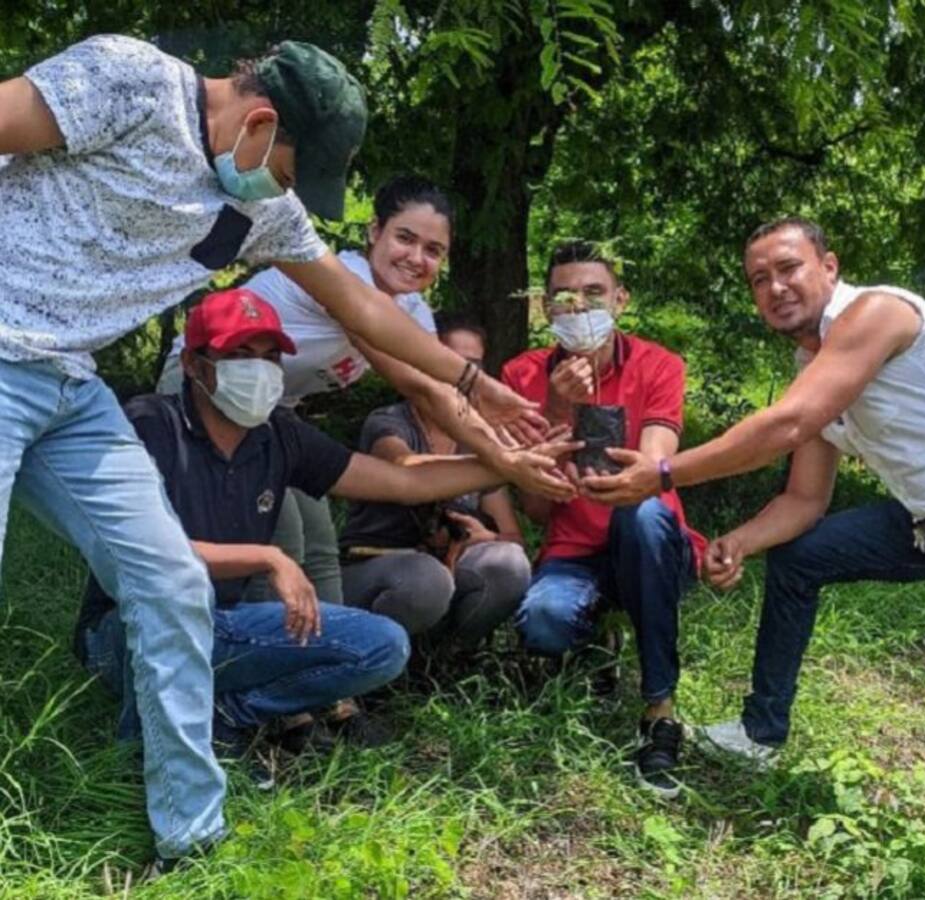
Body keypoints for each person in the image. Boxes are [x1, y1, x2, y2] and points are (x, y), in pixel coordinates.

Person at [0, 34, 544, 860]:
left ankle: (191, 837)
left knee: (174, 582)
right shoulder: (130, 79)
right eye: (290, 172)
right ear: (259, 122)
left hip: (71, 386)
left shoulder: (261, 207)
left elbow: (364, 312)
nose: (287, 193)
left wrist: (473, 386)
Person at [580, 218, 925, 897]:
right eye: (759, 280)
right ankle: (761, 730)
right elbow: (806, 499)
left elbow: (786, 426)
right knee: (801, 555)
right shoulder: (813, 365)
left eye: (789, 268)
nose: (776, 288)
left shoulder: (879, 313)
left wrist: (663, 476)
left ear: (830, 267)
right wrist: (739, 542)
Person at [74, 289, 573, 777]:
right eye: (238, 354)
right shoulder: (148, 425)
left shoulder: (279, 434)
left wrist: (510, 466)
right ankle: (166, 745)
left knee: (381, 645)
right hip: (131, 628)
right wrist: (269, 559)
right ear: (194, 364)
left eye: (270, 357)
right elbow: (145, 555)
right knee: (178, 618)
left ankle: (227, 713)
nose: (257, 370)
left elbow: (402, 481)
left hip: (228, 624)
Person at [159, 175, 566, 605]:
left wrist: (514, 449)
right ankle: (256, 651)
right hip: (204, 385)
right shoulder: (346, 281)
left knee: (318, 542)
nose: (416, 258)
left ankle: (337, 651)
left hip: (274, 415)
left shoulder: (414, 312)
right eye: (404, 238)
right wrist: (501, 454)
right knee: (282, 533)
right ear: (374, 232)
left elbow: (445, 397)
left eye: (433, 250)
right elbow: (420, 386)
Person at [500, 241, 706, 799]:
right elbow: (539, 508)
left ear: (620, 299)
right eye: (566, 297)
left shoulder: (660, 365)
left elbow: (656, 469)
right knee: (543, 623)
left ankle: (660, 709)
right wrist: (557, 409)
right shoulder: (519, 375)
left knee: (640, 516)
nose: (581, 307)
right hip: (573, 549)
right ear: (546, 308)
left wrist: (629, 477)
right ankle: (603, 634)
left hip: (649, 537)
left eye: (594, 293)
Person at [341, 312, 532, 656]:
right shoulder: (389, 422)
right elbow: (404, 466)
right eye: (449, 361)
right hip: (379, 567)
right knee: (425, 580)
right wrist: (497, 463)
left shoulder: (484, 438)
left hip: (452, 569)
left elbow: (512, 536)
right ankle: (374, 662)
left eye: (472, 365)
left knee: (509, 563)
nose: (459, 375)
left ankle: (449, 657)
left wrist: (486, 538)